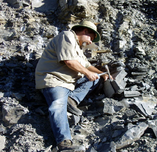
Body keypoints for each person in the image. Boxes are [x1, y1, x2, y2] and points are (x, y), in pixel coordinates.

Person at [35, 20, 109, 151]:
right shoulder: (67, 36)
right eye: (91, 37)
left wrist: (101, 74)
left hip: (69, 83)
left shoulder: (78, 48)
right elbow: (69, 62)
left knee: (95, 79)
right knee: (58, 105)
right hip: (55, 80)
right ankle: (64, 141)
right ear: (85, 31)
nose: (91, 42)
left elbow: (87, 65)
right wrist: (87, 73)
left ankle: (72, 99)